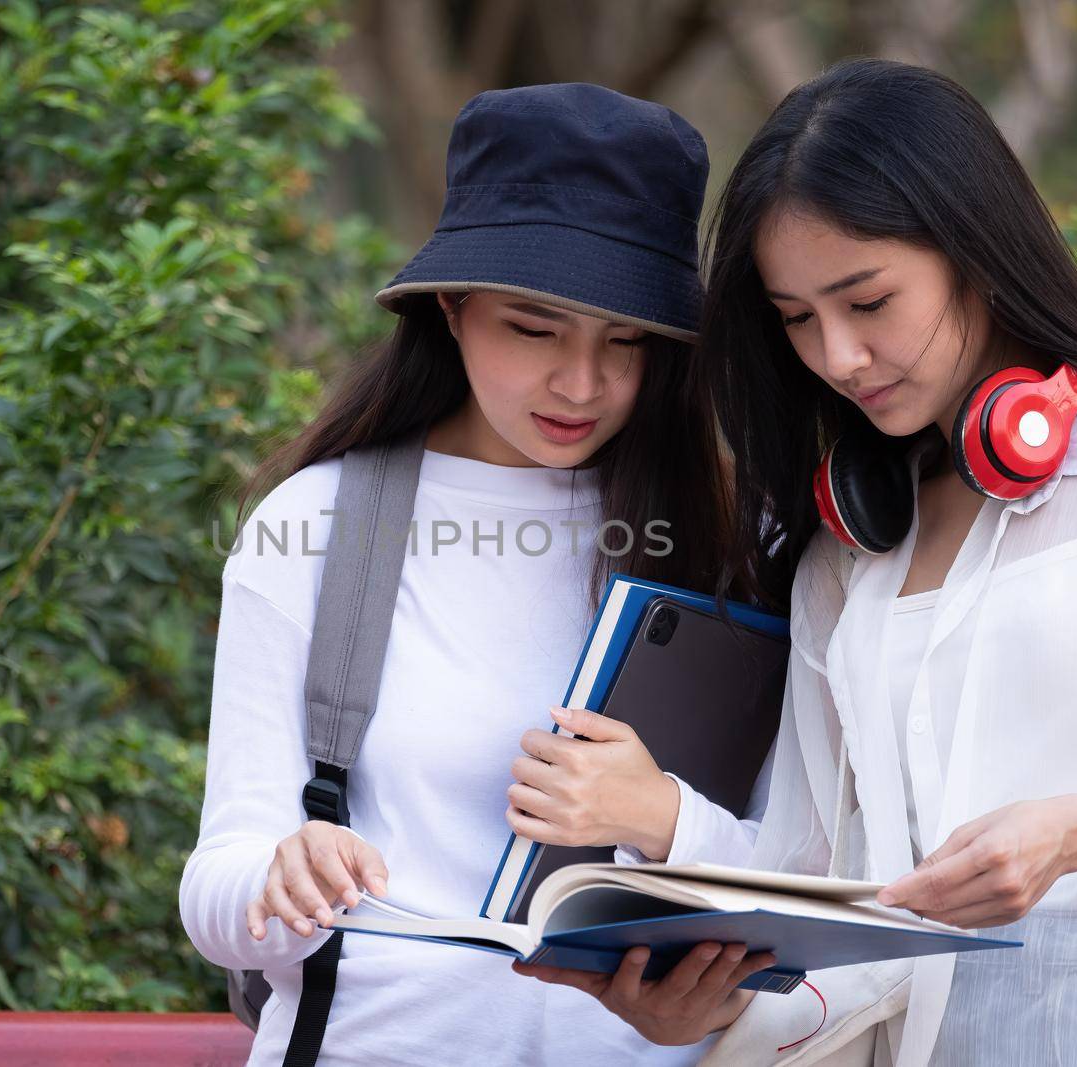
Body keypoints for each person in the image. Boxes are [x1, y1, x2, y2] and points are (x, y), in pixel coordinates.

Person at [530, 58, 1077, 1064]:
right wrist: (713, 1006)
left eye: (866, 301)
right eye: (796, 319)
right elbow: (835, 911)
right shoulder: (843, 556)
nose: (836, 357)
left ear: (974, 251)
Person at [178, 83, 774, 1066]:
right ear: (451, 309)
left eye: (626, 341)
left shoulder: (729, 536)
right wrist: (279, 879)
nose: (581, 384)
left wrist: (660, 817)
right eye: (534, 328)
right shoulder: (317, 525)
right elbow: (218, 886)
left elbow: (815, 870)